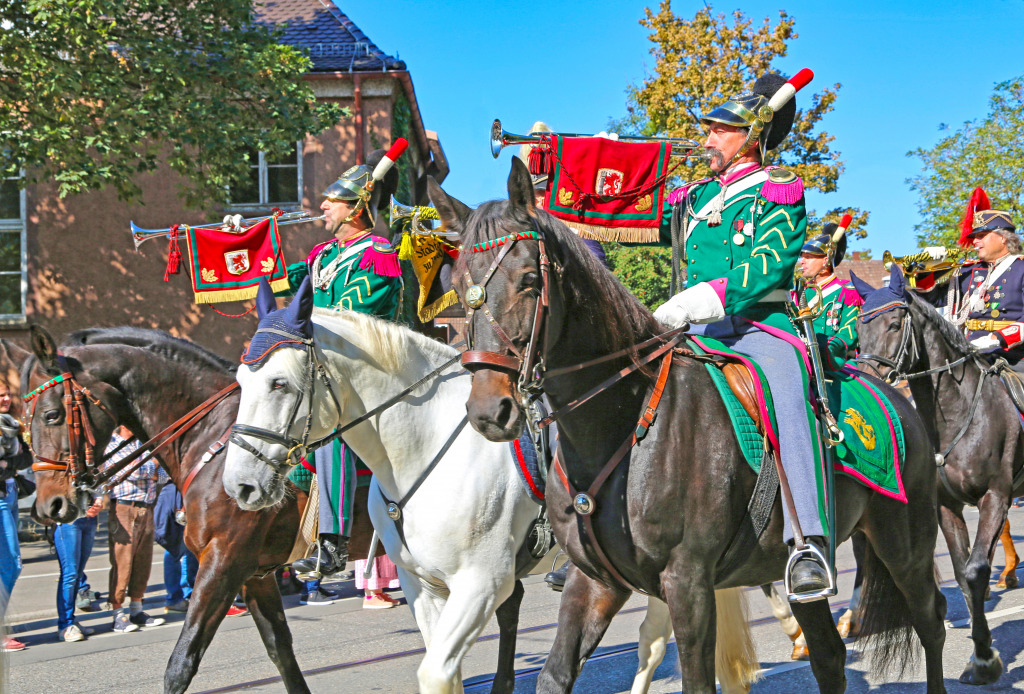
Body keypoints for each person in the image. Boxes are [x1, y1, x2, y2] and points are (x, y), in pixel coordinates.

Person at [653, 72, 831, 599]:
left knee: (787, 394)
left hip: (759, 327)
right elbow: (626, 207)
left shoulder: (780, 188)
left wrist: (696, 300)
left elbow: (769, 266)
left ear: (750, 137)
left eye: (718, 131)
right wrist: (560, 164)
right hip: (697, 329)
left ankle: (808, 541)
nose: (707, 140)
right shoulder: (695, 196)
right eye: (707, 130)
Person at [285, 149, 404, 581]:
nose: (321, 207)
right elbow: (281, 281)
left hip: (369, 372)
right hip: (324, 370)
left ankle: (331, 543)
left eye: (330, 202)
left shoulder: (376, 254)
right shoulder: (322, 254)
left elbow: (351, 319)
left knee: (331, 427)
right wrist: (232, 240)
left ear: (355, 208)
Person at [931, 189, 1024, 366]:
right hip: (969, 354)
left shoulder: (1021, 268)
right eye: (974, 237)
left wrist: (995, 339)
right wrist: (926, 270)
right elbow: (931, 299)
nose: (974, 242)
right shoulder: (968, 271)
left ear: (1003, 238)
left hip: (1013, 356)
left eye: (981, 236)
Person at [102, 425, 166, 632]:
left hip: (146, 505)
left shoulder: (144, 443)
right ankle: (118, 614)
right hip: (123, 505)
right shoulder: (111, 445)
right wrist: (152, 466)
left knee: (143, 559)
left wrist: (153, 468)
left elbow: (164, 474)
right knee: (123, 560)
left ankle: (137, 609)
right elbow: (122, 471)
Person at [794, 222, 863, 363]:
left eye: (809, 257)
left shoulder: (847, 292)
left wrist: (827, 346)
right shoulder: (798, 292)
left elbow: (849, 333)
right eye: (802, 257)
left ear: (826, 262)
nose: (802, 262)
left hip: (834, 361)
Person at [0, 387, 28, 651]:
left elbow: (24, 458)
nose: (6, 399)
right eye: (0, 396)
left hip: (10, 493)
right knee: (10, 564)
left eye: (7, 393)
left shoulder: (12, 424)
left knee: (10, 565)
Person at [53, 501, 101, 642]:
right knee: (70, 574)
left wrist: (98, 499)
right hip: (68, 517)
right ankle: (65, 625)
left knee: (78, 573)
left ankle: (71, 621)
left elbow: (99, 483)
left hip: (89, 517)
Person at [153, 479, 198, 614]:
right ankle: (174, 598)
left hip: (191, 488)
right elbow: (160, 476)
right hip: (176, 490)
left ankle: (188, 594)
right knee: (174, 548)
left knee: (191, 547)